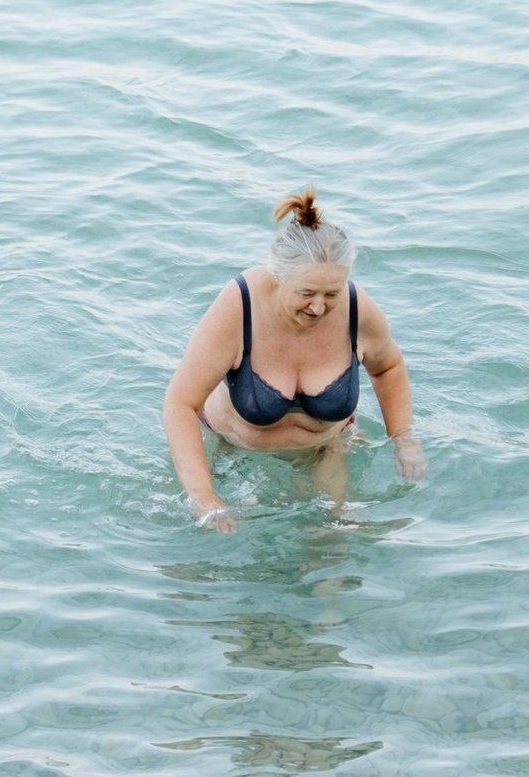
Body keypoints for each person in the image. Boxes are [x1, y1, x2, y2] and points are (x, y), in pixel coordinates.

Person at [163, 189, 424, 528]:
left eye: (331, 294)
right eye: (306, 293)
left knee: (333, 542)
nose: (319, 307)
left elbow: (388, 366)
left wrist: (403, 438)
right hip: (233, 450)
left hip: (324, 450)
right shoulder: (239, 305)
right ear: (277, 277)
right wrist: (203, 495)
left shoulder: (357, 309)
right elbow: (180, 403)